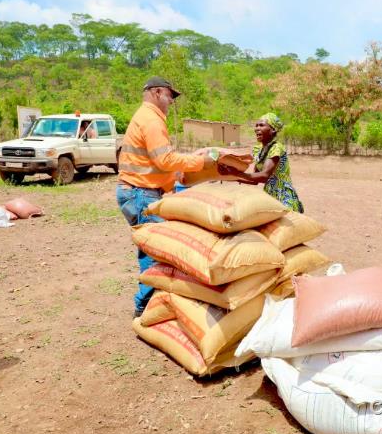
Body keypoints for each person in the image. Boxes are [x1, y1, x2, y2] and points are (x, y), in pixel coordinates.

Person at [117, 76, 216, 318]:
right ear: (157, 92)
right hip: (141, 194)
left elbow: (158, 160)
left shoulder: (147, 117)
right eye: (170, 95)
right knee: (159, 252)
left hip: (138, 192)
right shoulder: (151, 120)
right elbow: (164, 159)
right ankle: (145, 307)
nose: (172, 101)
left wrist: (175, 175)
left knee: (151, 249)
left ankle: (150, 305)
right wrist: (200, 161)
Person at [217, 113, 304, 212]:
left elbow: (264, 175)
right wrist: (231, 177)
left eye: (261, 125)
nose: (257, 128)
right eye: (256, 125)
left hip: (283, 196)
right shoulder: (258, 150)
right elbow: (255, 180)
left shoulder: (276, 148)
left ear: (273, 130)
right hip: (269, 196)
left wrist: (235, 173)